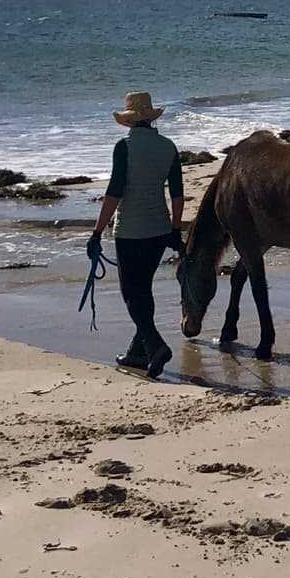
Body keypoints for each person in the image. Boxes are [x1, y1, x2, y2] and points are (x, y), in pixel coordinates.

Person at [88, 92, 185, 378]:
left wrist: (96, 231)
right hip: (159, 229)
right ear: (150, 118)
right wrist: (176, 229)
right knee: (143, 289)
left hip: (130, 230)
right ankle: (137, 352)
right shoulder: (169, 147)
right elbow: (178, 194)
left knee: (131, 293)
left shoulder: (124, 147)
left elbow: (115, 192)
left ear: (130, 121)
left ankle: (155, 346)